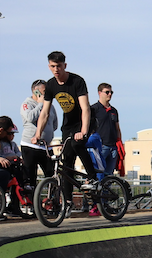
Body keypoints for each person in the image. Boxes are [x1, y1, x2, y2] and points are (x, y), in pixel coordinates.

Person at [34, 51, 98, 214]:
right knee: (66, 162)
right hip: (68, 125)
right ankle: (67, 201)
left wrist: (84, 131)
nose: (56, 69)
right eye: (53, 66)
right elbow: (45, 113)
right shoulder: (50, 85)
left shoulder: (77, 81)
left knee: (77, 143)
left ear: (65, 66)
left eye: (59, 66)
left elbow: (85, 108)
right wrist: (37, 134)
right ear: (49, 66)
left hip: (84, 122)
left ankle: (92, 177)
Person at [20, 79, 57, 192]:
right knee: (31, 176)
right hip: (30, 146)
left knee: (52, 174)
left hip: (46, 147)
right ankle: (31, 203)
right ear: (36, 92)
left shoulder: (50, 106)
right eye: (45, 91)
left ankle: (52, 201)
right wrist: (41, 104)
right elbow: (30, 117)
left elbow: (54, 124)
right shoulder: (27, 104)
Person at [90, 83, 121, 175]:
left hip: (113, 147)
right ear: (100, 93)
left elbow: (117, 128)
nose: (110, 94)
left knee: (109, 175)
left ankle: (106, 189)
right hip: (101, 146)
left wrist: (119, 142)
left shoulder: (114, 111)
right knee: (98, 173)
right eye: (107, 92)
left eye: (111, 92)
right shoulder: (94, 109)